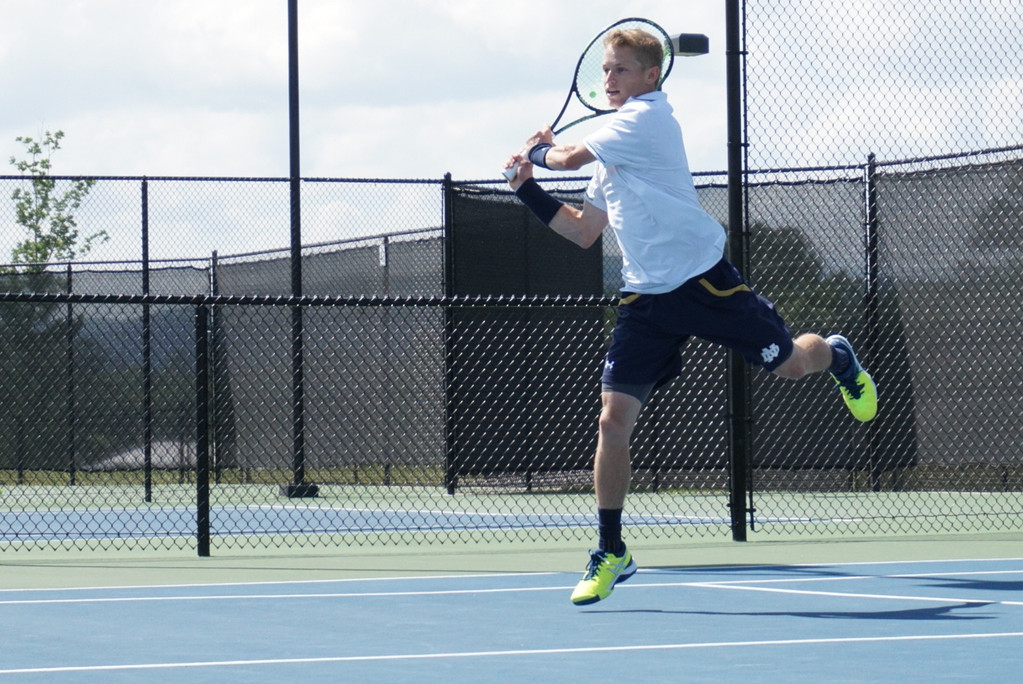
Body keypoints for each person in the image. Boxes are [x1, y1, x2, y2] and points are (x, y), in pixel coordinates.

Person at [503, 27, 878, 606]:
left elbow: (567, 155)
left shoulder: (644, 120)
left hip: (705, 282)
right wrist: (527, 189)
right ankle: (611, 550)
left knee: (791, 367)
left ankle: (836, 354)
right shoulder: (614, 148)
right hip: (644, 301)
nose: (608, 79)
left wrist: (536, 153)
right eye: (605, 70)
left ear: (650, 77)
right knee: (611, 420)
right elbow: (582, 232)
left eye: (620, 70)